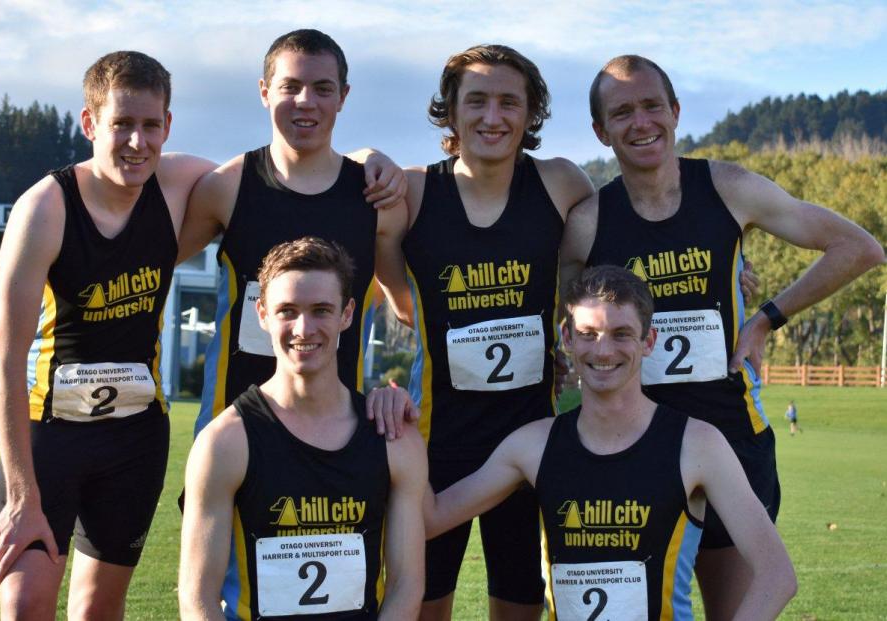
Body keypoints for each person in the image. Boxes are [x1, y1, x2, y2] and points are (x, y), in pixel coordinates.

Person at [559, 54, 884, 619]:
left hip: (732, 434)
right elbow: (558, 316)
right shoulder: (588, 222)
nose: (641, 123)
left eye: (652, 106)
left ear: (676, 111)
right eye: (622, 112)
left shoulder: (729, 189)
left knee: (736, 611)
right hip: (634, 445)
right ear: (600, 131)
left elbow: (859, 247)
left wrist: (765, 318)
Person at [365, 44, 595, 621]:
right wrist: (365, 153)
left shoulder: (563, 184)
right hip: (437, 440)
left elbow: (622, 249)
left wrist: (732, 262)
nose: (493, 117)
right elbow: (397, 297)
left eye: (508, 102)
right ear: (450, 109)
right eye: (477, 101)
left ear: (530, 113)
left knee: (519, 607)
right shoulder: (413, 193)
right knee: (422, 603)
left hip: (534, 438)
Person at [423, 265, 797, 621]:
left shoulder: (698, 445)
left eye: (621, 334)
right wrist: (397, 418)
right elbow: (433, 516)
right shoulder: (532, 446)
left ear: (648, 340)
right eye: (588, 334)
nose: (603, 351)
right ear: (567, 339)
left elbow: (777, 575)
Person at [0, 51, 217, 619]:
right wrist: (21, 495)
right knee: (24, 604)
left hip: (133, 441)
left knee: (95, 611)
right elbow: (5, 363)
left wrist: (366, 162)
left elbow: (275, 181)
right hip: (48, 436)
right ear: (90, 124)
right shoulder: (44, 208)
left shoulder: (182, 183)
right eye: (121, 124)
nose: (137, 142)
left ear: (168, 125)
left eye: (150, 125)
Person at [178, 29, 409, 443]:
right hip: (234, 425)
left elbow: (412, 310)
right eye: (291, 87)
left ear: (343, 97)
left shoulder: (377, 199)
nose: (307, 102)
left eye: (323, 89)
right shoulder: (225, 188)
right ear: (265, 92)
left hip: (339, 431)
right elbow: (153, 269)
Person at [179, 237, 426, 620]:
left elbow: (406, 585)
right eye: (287, 311)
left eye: (321, 310)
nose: (303, 328)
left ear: (347, 314)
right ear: (261, 314)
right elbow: (198, 599)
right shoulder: (224, 442)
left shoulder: (393, 438)